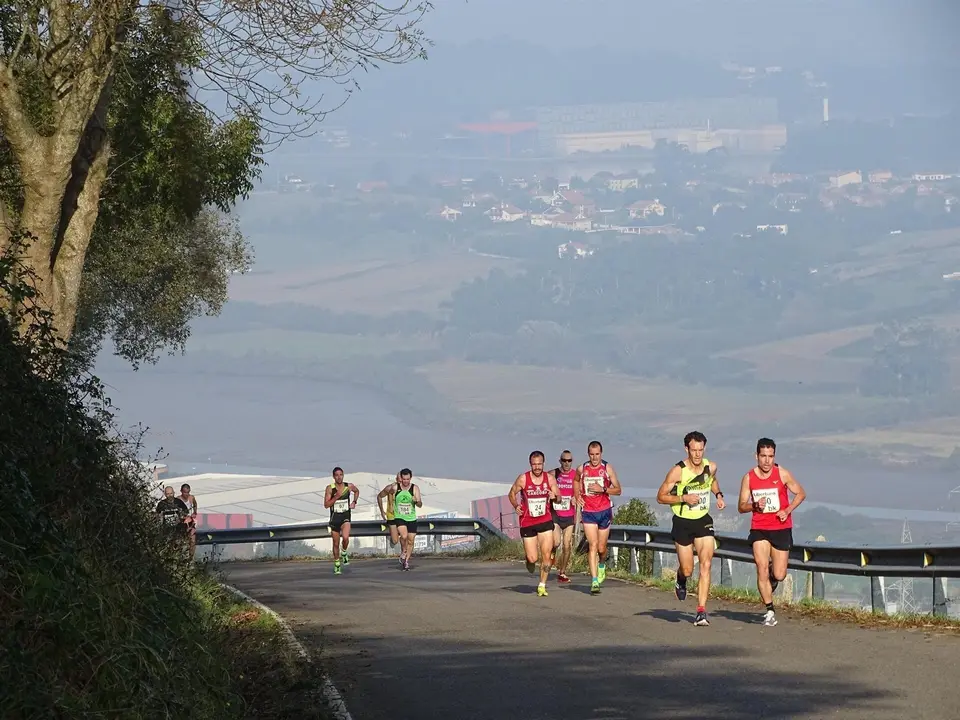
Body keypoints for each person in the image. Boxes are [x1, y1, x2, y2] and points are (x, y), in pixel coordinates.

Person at [656, 431, 725, 627]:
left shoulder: (710, 466)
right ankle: (681, 579)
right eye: (694, 450)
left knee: (706, 564)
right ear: (686, 449)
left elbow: (712, 482)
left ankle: (701, 612)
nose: (697, 455)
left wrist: (718, 495)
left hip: (703, 519)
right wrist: (683, 498)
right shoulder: (678, 471)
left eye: (700, 450)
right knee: (687, 569)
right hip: (682, 522)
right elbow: (661, 497)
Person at [738, 437, 806, 627]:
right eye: (763, 456)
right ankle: (769, 610)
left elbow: (800, 493)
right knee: (760, 566)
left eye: (770, 456)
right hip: (759, 527)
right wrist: (753, 505)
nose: (767, 461)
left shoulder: (782, 473)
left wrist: (788, 510)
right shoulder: (749, 478)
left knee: (780, 574)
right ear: (756, 456)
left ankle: (772, 577)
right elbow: (741, 506)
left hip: (781, 528)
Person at [509, 451, 560, 597]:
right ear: (530, 464)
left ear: (543, 463)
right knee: (533, 558)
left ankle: (542, 585)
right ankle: (529, 560)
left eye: (539, 464)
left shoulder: (549, 479)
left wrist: (554, 497)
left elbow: (559, 497)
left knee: (546, 554)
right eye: (534, 464)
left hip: (545, 520)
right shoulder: (523, 479)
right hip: (528, 522)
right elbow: (511, 493)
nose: (537, 467)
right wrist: (515, 505)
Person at [574, 440, 621, 595]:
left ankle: (602, 564)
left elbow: (618, 490)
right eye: (592, 455)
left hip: (604, 511)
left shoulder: (607, 468)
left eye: (597, 454)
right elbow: (575, 480)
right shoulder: (582, 468)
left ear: (601, 454)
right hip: (588, 512)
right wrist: (577, 495)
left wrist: (603, 489)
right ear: (588, 454)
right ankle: (594, 581)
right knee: (592, 545)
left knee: (601, 548)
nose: (594, 458)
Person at [324, 467, 359, 575]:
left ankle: (344, 551)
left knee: (345, 538)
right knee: (335, 543)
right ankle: (337, 564)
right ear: (334, 476)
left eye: (341, 475)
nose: (339, 477)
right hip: (334, 519)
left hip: (345, 517)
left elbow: (356, 491)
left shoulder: (348, 486)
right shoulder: (330, 488)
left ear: (343, 475)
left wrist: (354, 502)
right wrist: (335, 498)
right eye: (337, 475)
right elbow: (326, 505)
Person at [384, 468, 421, 571]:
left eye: (407, 479)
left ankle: (406, 561)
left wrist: (416, 501)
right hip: (400, 517)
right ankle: (404, 551)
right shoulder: (396, 487)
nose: (405, 481)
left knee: (411, 540)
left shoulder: (415, 488)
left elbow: (420, 504)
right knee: (403, 536)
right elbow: (388, 492)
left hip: (411, 518)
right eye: (404, 479)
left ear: (410, 478)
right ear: (401, 478)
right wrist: (391, 505)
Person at [551, 450, 577, 584]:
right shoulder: (554, 474)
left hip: (569, 515)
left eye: (569, 460)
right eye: (564, 460)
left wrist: (575, 498)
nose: (567, 463)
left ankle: (562, 572)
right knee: (556, 542)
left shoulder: (575, 475)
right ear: (560, 461)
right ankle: (552, 555)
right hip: (556, 514)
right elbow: (542, 482)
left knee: (567, 546)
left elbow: (581, 492)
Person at [377, 472, 403, 559]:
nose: (401, 481)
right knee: (395, 541)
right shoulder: (390, 488)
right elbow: (379, 496)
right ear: (396, 479)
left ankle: (404, 555)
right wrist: (382, 511)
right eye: (400, 479)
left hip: (403, 516)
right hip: (392, 516)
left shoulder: (407, 489)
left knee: (404, 536)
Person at [178, 483, 199, 560]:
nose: (186, 494)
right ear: (181, 491)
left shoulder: (191, 497)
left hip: (190, 521)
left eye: (188, 492)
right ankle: (181, 558)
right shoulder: (178, 499)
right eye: (184, 492)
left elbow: (195, 504)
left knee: (192, 541)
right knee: (182, 541)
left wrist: (195, 512)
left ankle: (191, 558)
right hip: (182, 522)